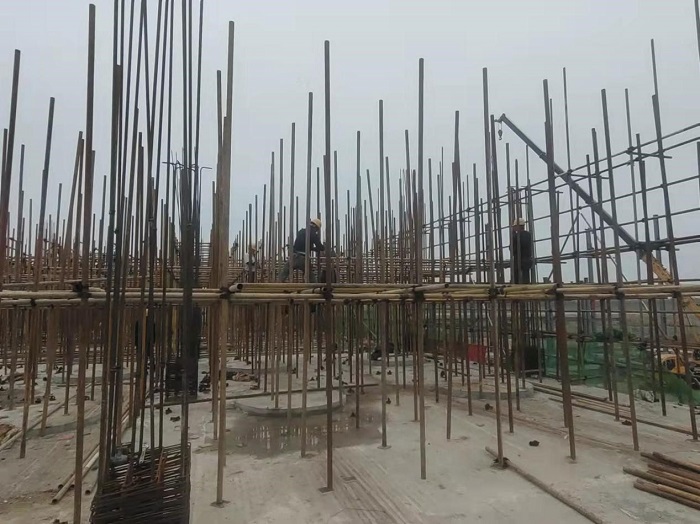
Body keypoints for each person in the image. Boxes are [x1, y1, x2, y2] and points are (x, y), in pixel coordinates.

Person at [278, 218, 324, 282]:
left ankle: (276, 286)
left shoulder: (301, 231)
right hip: (304, 258)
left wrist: (312, 248)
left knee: (284, 273)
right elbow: (320, 247)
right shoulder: (313, 234)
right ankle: (315, 287)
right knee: (310, 276)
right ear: (316, 228)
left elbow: (300, 244)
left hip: (294, 256)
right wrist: (318, 248)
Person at [510, 218, 533, 284]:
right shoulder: (528, 235)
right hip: (527, 260)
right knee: (526, 279)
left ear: (518, 226)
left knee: (516, 279)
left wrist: (513, 235)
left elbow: (512, 249)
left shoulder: (517, 236)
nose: (514, 228)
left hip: (519, 261)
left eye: (515, 226)